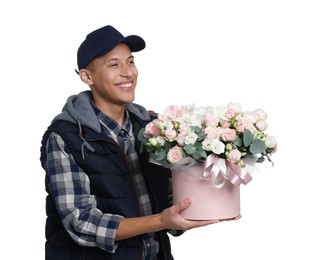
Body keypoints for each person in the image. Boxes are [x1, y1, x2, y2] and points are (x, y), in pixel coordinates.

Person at [40, 25, 227, 260]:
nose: (128, 72)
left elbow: (168, 200)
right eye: (114, 64)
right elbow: (81, 222)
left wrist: (210, 195)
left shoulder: (151, 127)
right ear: (87, 76)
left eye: (130, 61)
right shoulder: (67, 137)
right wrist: (160, 221)